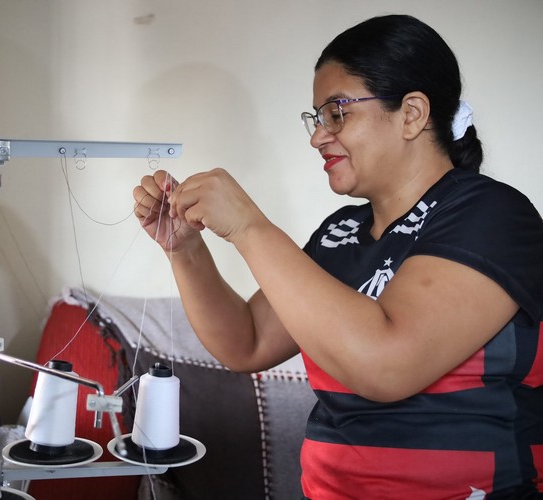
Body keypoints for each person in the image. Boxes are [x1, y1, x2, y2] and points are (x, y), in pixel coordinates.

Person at [132, 14, 543, 499]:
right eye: (317, 118)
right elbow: (248, 342)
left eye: (337, 113)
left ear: (412, 114)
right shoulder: (339, 231)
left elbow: (387, 365)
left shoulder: (492, 214)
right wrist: (184, 249)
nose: (317, 136)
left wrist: (250, 227)